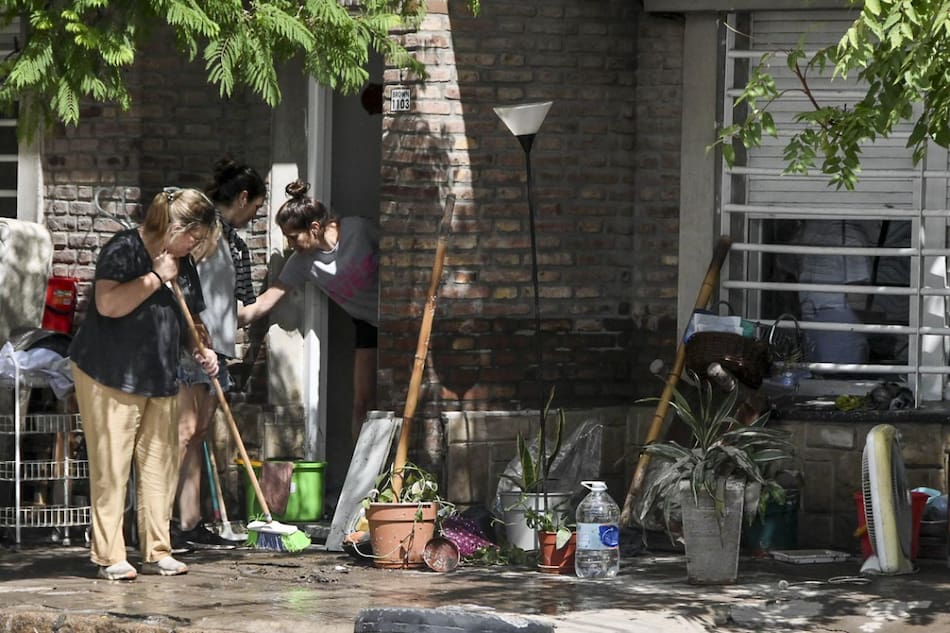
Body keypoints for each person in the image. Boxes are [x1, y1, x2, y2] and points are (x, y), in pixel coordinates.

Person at [68, 188, 220, 581]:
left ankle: (157, 550)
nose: (196, 245)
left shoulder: (184, 263)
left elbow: (191, 319)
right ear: (173, 227)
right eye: (194, 236)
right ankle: (109, 556)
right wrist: (155, 277)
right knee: (112, 467)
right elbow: (108, 305)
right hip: (109, 373)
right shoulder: (123, 250)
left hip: (160, 374)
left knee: (159, 468)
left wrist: (202, 348)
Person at [239, 180, 379, 445]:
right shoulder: (302, 262)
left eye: (293, 237)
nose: (290, 244)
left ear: (314, 228)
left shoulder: (359, 230)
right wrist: (226, 320)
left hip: (401, 318)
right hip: (367, 325)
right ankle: (358, 479)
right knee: (362, 402)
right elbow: (267, 300)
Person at [172, 158, 266, 549]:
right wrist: (194, 339)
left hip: (215, 349)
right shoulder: (205, 230)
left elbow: (235, 305)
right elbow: (183, 288)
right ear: (242, 197)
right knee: (184, 434)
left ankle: (189, 522)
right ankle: (160, 523)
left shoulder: (231, 241)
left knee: (196, 436)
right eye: (256, 206)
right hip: (193, 346)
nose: (256, 215)